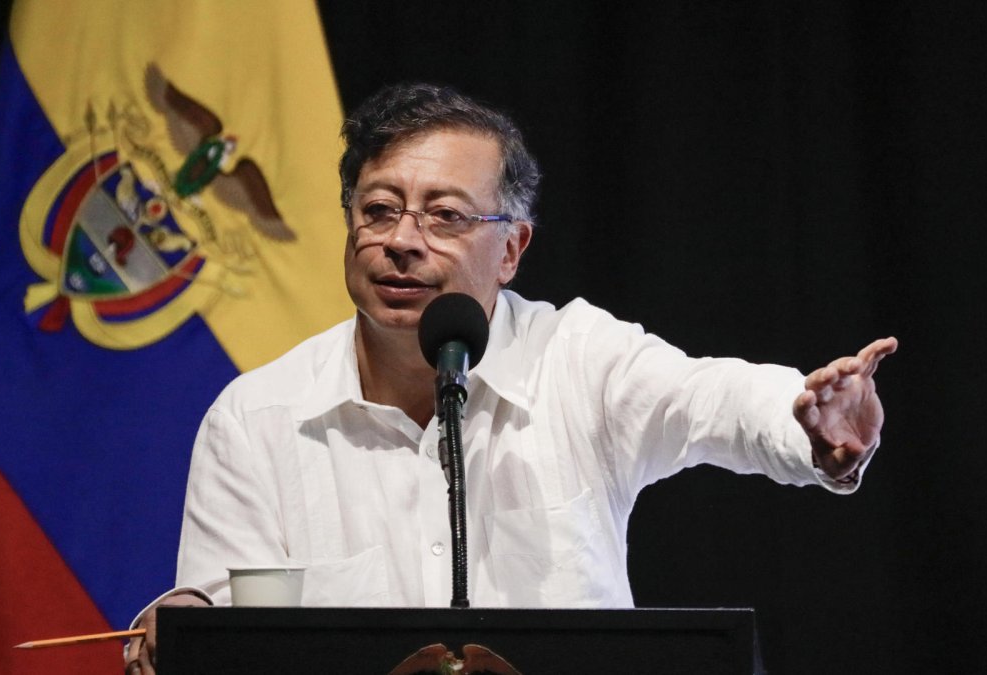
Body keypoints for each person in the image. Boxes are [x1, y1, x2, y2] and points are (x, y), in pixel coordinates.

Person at [124, 82, 897, 673]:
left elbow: (709, 398)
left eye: (445, 216)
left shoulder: (579, 359)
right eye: (379, 209)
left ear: (513, 248)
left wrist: (803, 419)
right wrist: (187, 621)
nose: (401, 242)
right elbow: (226, 626)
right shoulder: (257, 417)